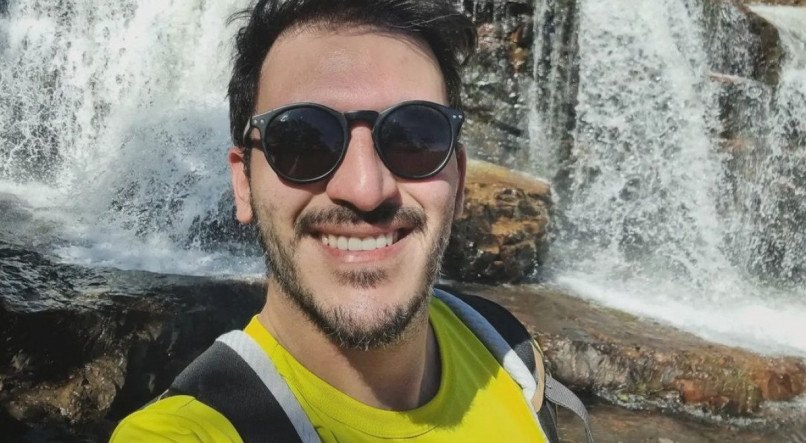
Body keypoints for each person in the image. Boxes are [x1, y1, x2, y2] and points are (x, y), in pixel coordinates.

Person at [111, 1, 591, 441]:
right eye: (302, 141)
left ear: (459, 179)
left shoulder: (506, 352)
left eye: (414, 137)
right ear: (244, 184)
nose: (365, 189)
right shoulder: (182, 433)